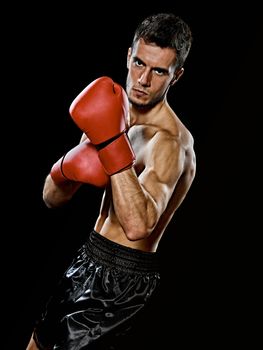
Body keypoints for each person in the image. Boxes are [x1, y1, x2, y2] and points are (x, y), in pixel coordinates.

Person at [26, 12, 196, 350]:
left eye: (158, 71)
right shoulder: (112, 113)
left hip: (121, 281)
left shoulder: (170, 143)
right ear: (127, 56)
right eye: (138, 63)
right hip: (87, 258)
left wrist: (111, 146)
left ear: (175, 76)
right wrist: (65, 168)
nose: (143, 80)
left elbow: (138, 226)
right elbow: (50, 198)